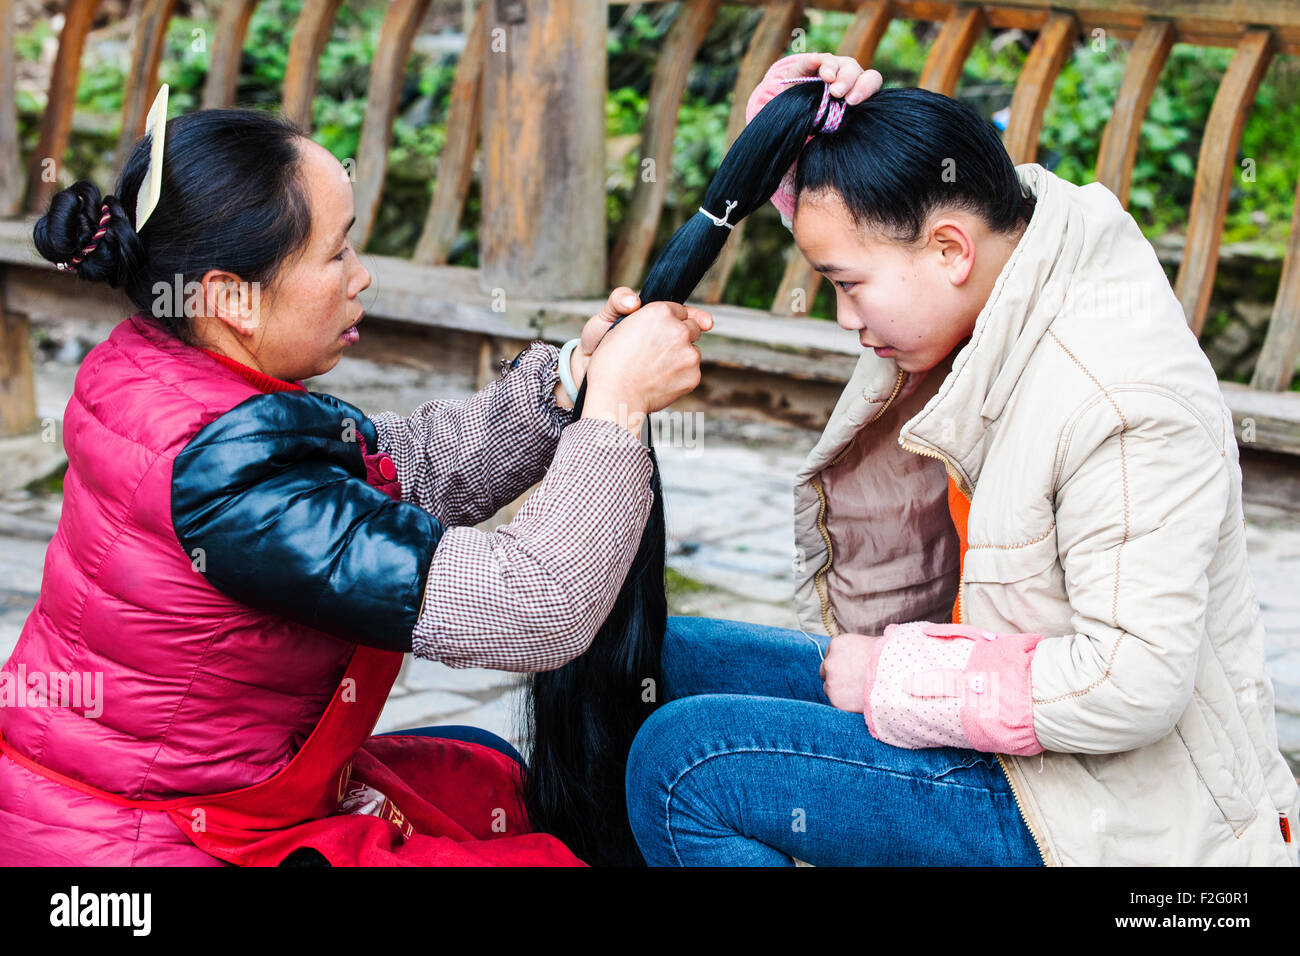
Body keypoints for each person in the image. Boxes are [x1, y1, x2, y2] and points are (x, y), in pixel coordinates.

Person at [622, 52, 1300, 866]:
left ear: (950, 251)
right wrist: (795, 145)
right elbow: (885, 229)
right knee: (661, 665)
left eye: (846, 284)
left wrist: (894, 680)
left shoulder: (1121, 401)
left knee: (686, 765)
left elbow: (1130, 685)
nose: (844, 317)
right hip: (1011, 741)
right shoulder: (999, 268)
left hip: (1097, 818)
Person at [0, 106, 710, 866]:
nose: (361, 275)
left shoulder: (158, 371)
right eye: (336, 254)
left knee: (485, 778)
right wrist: (617, 412)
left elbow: (400, 473)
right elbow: (534, 607)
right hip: (157, 841)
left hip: (153, 795)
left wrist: (568, 382)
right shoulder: (230, 474)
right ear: (230, 297)